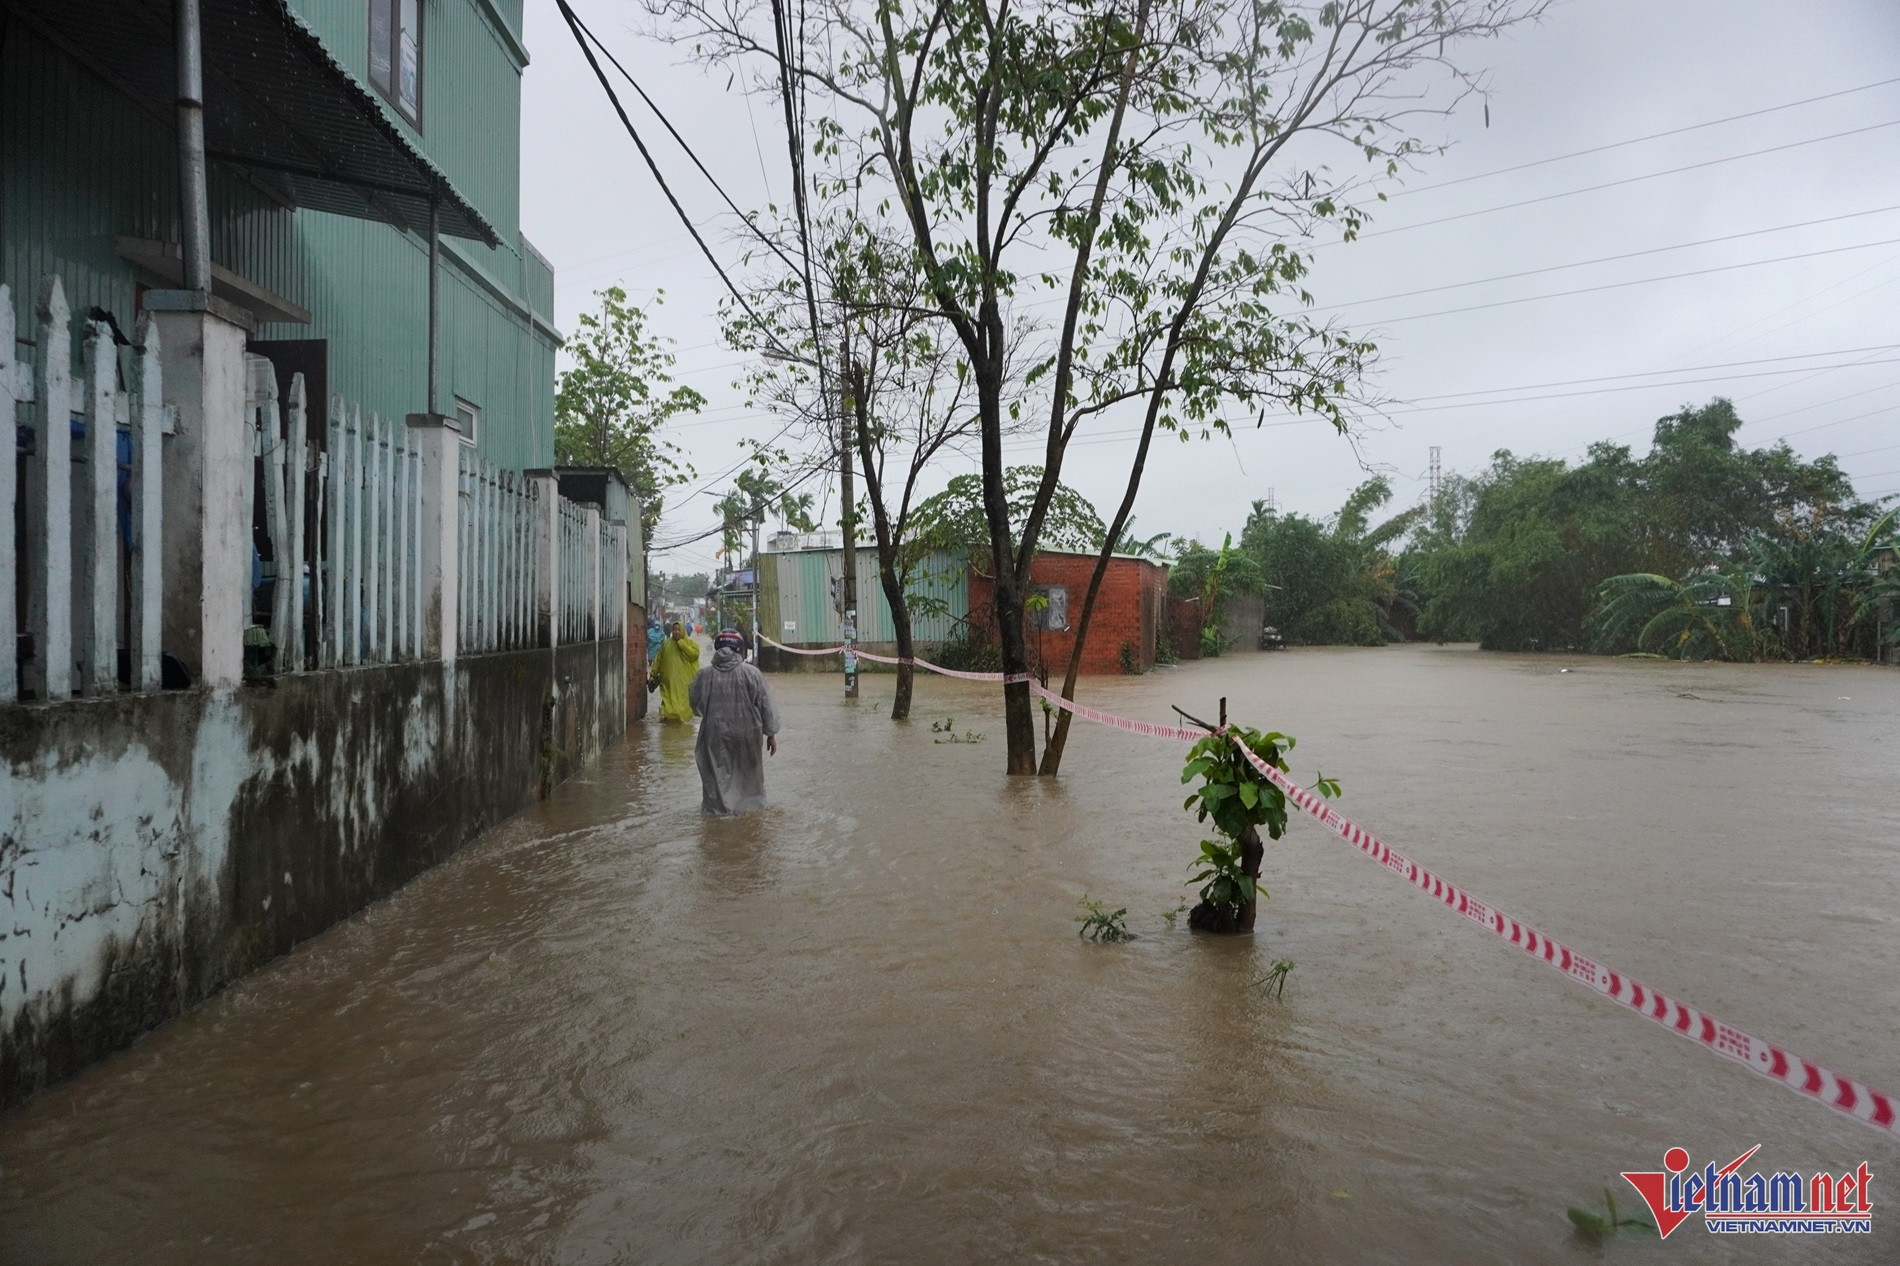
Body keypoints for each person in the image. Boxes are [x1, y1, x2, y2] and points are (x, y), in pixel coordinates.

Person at [688, 628, 781, 814]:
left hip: (714, 736)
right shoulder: (752, 673)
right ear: (740, 649)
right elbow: (766, 706)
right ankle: (749, 817)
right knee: (749, 778)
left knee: (716, 777)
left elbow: (695, 705)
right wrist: (770, 734)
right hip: (747, 735)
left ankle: (719, 818)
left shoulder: (704, 675)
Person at [650, 619, 700, 723]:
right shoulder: (666, 644)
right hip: (668, 682)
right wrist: (653, 674)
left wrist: (682, 644)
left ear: (683, 630)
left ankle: (681, 724)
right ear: (671, 631)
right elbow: (658, 659)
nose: (676, 632)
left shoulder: (689, 642)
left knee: (682, 705)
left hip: (684, 682)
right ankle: (669, 724)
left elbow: (694, 655)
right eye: (674, 630)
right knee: (668, 703)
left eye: (678, 630)